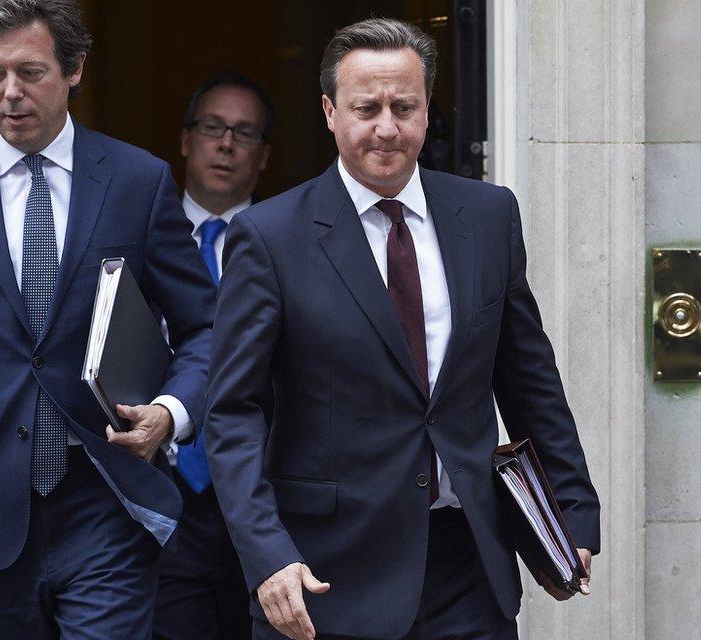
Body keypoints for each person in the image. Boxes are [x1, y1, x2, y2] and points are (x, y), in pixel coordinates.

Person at [206, 17, 601, 640]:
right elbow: (232, 412)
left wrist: (572, 512)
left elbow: (528, 379)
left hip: (469, 564)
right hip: (325, 577)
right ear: (331, 112)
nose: (386, 127)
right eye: (367, 108)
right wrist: (267, 553)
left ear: (425, 111)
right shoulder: (269, 238)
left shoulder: (489, 215)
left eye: (404, 107)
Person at [0, 1, 216, 638]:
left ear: (75, 69)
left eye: (30, 72)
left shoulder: (138, 181)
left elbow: (207, 328)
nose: (10, 93)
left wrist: (170, 411)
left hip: (104, 499)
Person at [153, 71, 273, 640]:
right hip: (167, 493)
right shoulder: (138, 234)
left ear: (265, 155)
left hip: (264, 496)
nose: (226, 144)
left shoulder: (287, 240)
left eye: (244, 133)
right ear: (185, 139)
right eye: (213, 127)